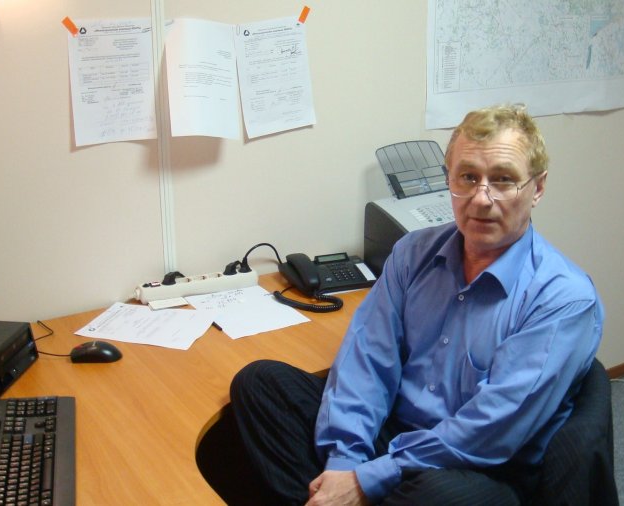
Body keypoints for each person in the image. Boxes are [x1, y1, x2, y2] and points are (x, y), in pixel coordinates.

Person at [217, 103, 604, 506]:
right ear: (448, 179)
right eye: (468, 177)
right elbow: (368, 359)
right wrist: (346, 462)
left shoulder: (563, 298)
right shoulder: (412, 253)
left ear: (537, 188)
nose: (481, 198)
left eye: (504, 180)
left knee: (438, 497)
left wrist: (369, 479)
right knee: (260, 384)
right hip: (397, 435)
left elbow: (492, 429)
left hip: (483, 465)